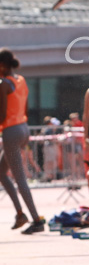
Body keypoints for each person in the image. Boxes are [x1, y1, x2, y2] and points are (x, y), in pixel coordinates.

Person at [0, 48, 45, 233]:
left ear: (2, 66)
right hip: (23, 129)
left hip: (11, 131)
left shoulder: (3, 83)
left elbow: (2, 116)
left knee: (20, 179)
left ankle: (36, 220)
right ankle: (20, 214)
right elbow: (24, 109)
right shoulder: (21, 80)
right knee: (1, 172)